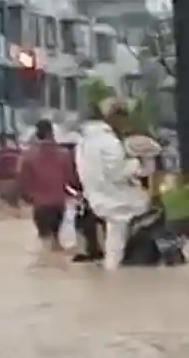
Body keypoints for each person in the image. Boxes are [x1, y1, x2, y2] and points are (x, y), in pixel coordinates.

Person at [76, 98, 149, 271]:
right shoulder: (110, 142)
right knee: (123, 231)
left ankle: (112, 268)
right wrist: (137, 164)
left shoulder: (84, 141)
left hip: (95, 195)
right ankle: (115, 270)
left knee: (114, 235)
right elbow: (117, 172)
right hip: (115, 197)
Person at [18, 119, 75, 260]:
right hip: (58, 204)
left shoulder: (29, 156)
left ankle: (46, 270)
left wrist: (26, 196)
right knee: (56, 243)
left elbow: (23, 179)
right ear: (52, 133)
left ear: (37, 134)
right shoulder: (64, 154)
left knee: (44, 244)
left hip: (40, 204)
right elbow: (71, 179)